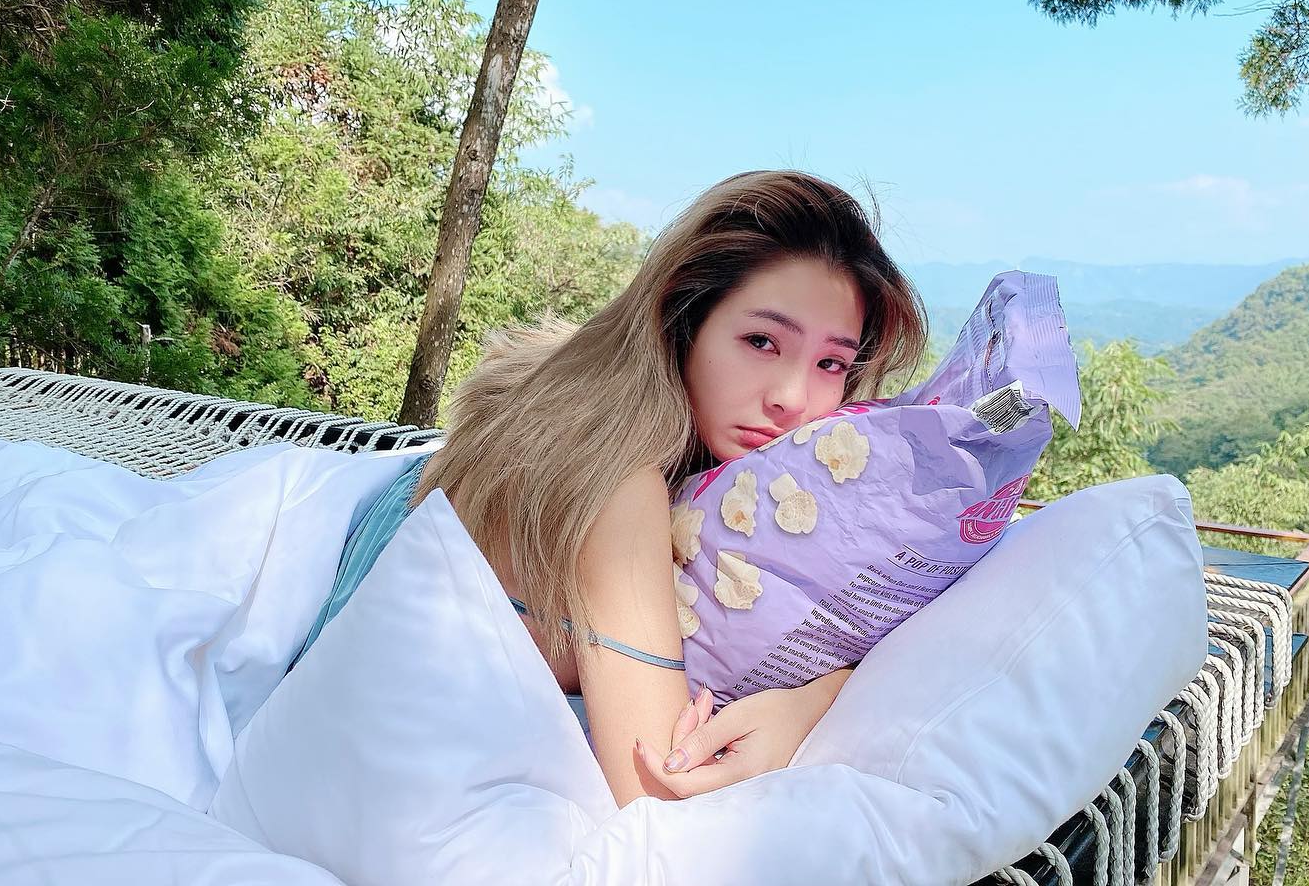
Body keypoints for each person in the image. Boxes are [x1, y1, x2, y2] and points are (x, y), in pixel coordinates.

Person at [310, 170, 927, 807]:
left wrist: (818, 690)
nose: (792, 398)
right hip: (365, 780)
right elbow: (659, 791)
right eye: (761, 341)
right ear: (685, 320)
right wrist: (813, 703)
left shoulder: (612, 416)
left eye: (830, 363)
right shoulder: (618, 480)